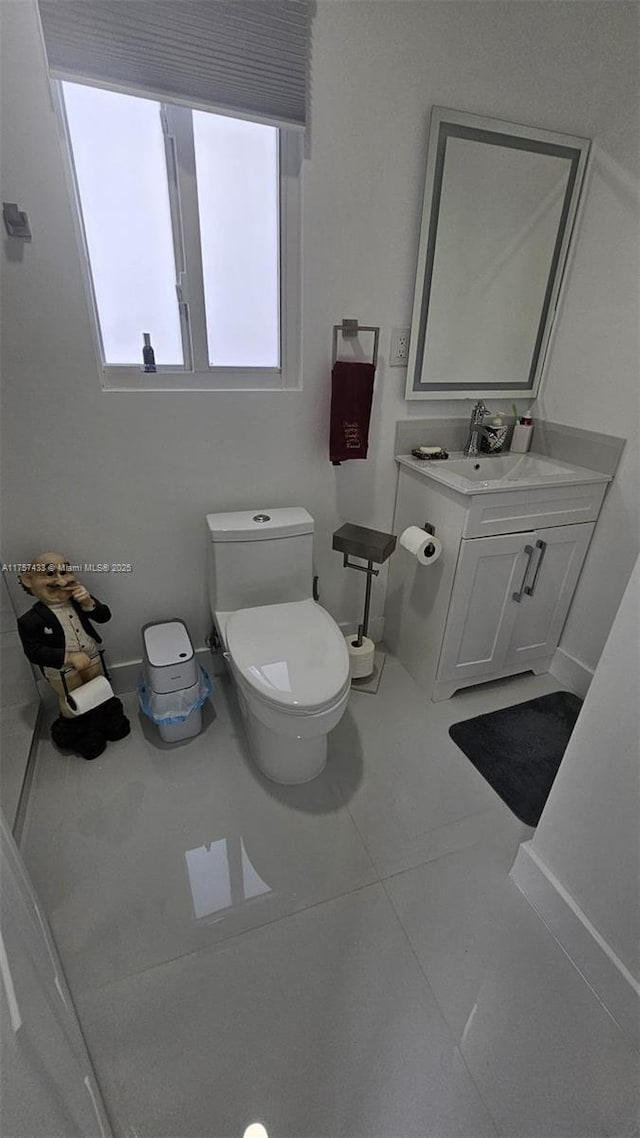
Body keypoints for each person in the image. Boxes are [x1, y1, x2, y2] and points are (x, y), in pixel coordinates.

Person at [17, 553, 130, 759]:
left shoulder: (77, 600)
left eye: (64, 571)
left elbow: (104, 616)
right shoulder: (30, 620)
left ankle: (105, 719)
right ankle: (80, 731)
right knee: (72, 698)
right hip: (63, 669)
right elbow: (33, 651)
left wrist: (89, 603)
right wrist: (67, 657)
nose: (61, 580)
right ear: (28, 581)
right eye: (50, 574)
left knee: (98, 687)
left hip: (92, 656)